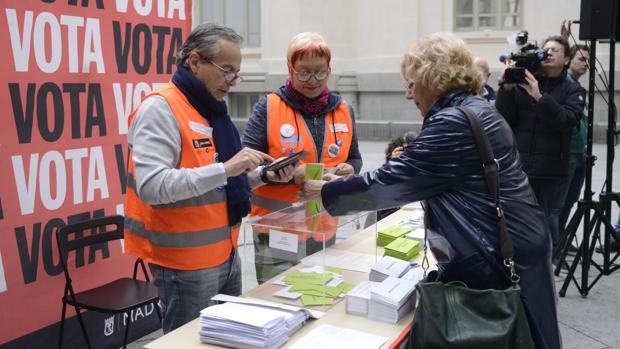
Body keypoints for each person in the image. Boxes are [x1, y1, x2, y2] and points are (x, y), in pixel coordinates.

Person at [302, 32, 561, 349]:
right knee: (528, 334)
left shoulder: (452, 122)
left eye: (411, 83)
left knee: (507, 333)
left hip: (493, 254)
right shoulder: (475, 108)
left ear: (433, 78)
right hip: (514, 242)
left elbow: (397, 181)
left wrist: (327, 192)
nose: (409, 95)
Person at [123, 23, 294, 333]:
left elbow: (217, 183)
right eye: (226, 70)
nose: (232, 82)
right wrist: (227, 168)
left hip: (227, 255)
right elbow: (151, 187)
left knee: (227, 338)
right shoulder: (160, 109)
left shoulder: (210, 110)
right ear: (195, 62)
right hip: (184, 265)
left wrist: (261, 176)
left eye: (236, 73)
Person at [242, 32, 362, 283]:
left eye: (320, 72)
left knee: (318, 298)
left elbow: (355, 158)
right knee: (276, 304)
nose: (313, 80)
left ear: (329, 69)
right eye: (304, 72)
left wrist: (349, 169)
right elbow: (248, 163)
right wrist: (284, 174)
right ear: (290, 69)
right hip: (276, 230)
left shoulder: (344, 110)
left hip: (324, 229)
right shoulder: (268, 107)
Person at [496, 35, 586, 247]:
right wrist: (506, 89)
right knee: (515, 222)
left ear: (566, 60)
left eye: (556, 50)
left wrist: (540, 97)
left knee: (544, 224)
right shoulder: (523, 84)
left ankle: (546, 269)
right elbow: (505, 119)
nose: (549, 53)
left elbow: (567, 121)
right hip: (519, 168)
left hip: (550, 171)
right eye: (546, 49)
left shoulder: (573, 90)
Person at [555, 43, 590, 248]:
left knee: (570, 200)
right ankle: (556, 244)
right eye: (581, 59)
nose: (586, 64)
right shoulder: (565, 82)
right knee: (559, 203)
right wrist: (565, 39)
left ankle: (562, 239)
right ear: (569, 60)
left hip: (580, 152)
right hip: (568, 152)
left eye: (588, 60)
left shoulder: (577, 85)